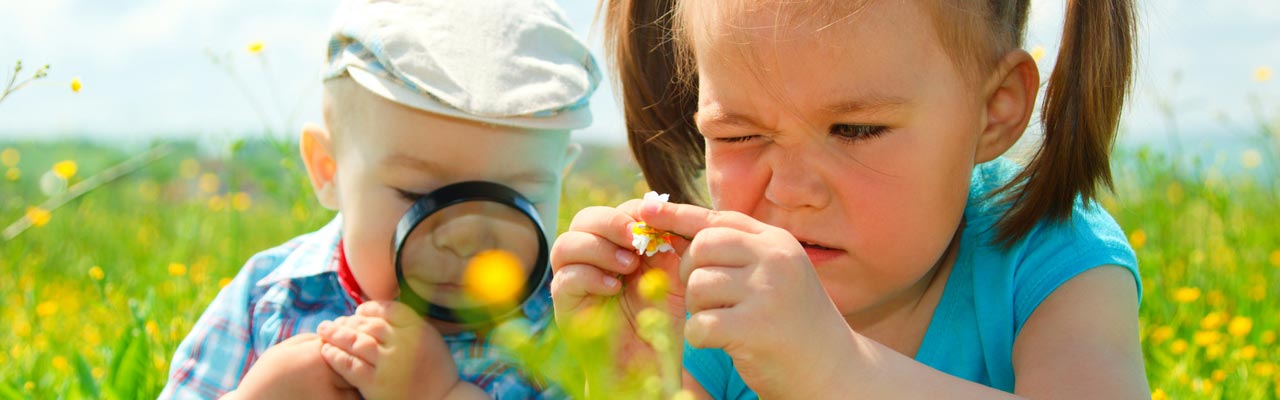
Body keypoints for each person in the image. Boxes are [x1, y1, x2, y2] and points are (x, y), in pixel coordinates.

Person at [550, 0, 1147, 398]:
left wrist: (835, 369)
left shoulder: (1051, 259)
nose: (790, 191)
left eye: (856, 131)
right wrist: (632, 375)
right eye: (738, 136)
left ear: (994, 111)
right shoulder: (706, 291)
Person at [161, 0, 599, 398]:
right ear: (327, 169)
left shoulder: (569, 328)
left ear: (561, 178)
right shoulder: (269, 298)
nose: (466, 236)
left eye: (517, 196)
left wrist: (441, 395)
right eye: (418, 194)